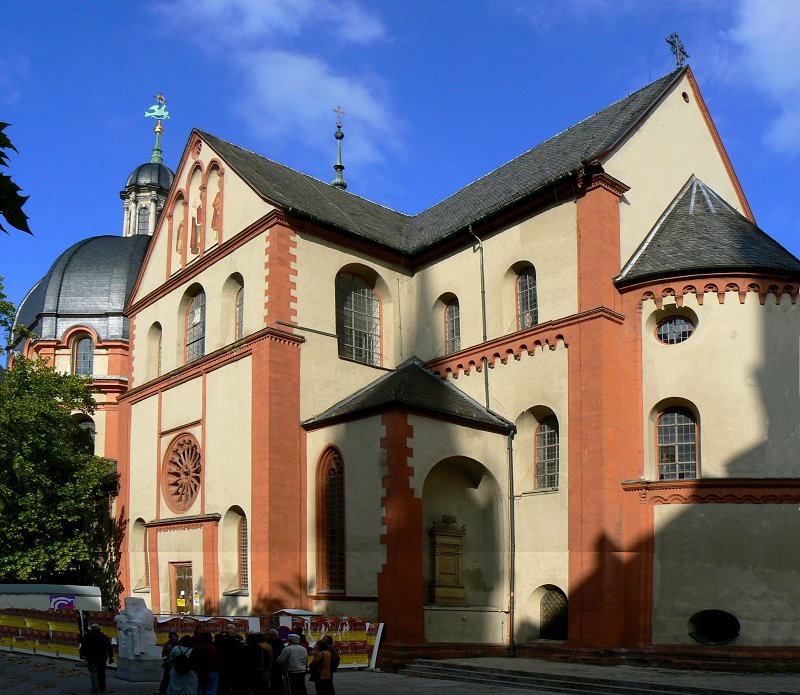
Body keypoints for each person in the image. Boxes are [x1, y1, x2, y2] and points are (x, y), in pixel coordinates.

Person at [79, 623, 113, 694]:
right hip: (102, 657)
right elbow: (109, 648)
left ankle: (95, 687)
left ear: (91, 629)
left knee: (93, 672)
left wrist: (82, 655)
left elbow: (83, 647)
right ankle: (102, 687)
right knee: (102, 672)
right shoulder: (104, 637)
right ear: (99, 629)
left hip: (91, 657)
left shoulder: (87, 637)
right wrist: (110, 657)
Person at [215, 622, 245, 695]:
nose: (229, 630)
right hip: (227, 667)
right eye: (228, 628)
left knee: (229, 686)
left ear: (235, 630)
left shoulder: (239, 639)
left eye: (230, 628)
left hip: (231, 667)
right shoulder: (221, 639)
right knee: (228, 686)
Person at [192, 631, 219, 695]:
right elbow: (213, 660)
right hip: (211, 670)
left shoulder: (196, 647)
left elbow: (193, 658)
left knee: (201, 687)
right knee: (211, 689)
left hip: (200, 670)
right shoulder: (212, 648)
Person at [264, 629, 285, 694]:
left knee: (276, 679)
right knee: (276, 679)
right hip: (277, 665)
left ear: (272, 635)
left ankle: (276, 691)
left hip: (275, 665)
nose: (267, 635)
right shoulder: (279, 642)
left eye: (268, 634)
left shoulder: (275, 643)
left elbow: (275, 654)